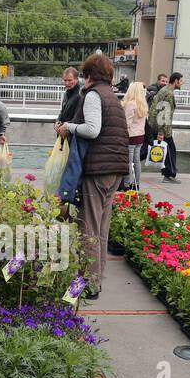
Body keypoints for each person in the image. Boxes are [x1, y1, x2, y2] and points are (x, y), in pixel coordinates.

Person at [56, 52, 130, 299]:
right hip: (115, 170)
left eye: (84, 74)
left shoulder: (93, 95)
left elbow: (92, 129)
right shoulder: (112, 96)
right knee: (101, 228)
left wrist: (69, 127)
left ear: (88, 75)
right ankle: (96, 280)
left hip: (98, 171)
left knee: (88, 227)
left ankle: (87, 284)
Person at [150, 72, 182, 183]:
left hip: (155, 125)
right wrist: (161, 132)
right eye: (181, 81)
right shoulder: (168, 93)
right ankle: (169, 175)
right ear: (176, 81)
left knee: (145, 150)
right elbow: (164, 114)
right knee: (170, 151)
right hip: (163, 128)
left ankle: (126, 167)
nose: (182, 83)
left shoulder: (164, 91)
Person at [121, 80, 148, 191]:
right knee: (136, 161)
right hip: (140, 136)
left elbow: (127, 123)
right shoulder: (143, 104)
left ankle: (127, 184)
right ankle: (136, 184)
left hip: (131, 136)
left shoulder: (130, 104)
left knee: (128, 162)